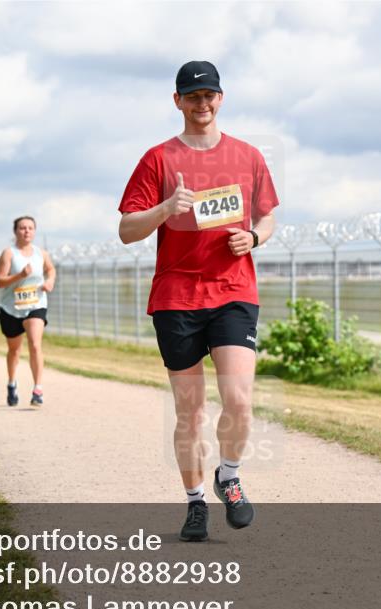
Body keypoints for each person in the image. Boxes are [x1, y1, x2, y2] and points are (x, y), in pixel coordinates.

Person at [118, 61, 279, 542]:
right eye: (192, 96)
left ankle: (228, 476)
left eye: (209, 95)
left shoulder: (248, 155)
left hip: (233, 291)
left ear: (221, 98)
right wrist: (166, 208)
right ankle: (194, 504)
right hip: (177, 296)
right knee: (190, 412)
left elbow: (268, 216)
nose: (201, 103)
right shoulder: (158, 159)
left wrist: (254, 237)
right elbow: (127, 230)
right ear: (178, 102)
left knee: (240, 399)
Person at [0, 216, 56, 407]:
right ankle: (12, 383)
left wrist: (49, 281)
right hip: (11, 307)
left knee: (35, 345)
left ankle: (38, 389)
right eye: (22, 228)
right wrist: (20, 275)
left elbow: (51, 269)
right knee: (14, 350)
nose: (27, 231)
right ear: (15, 231)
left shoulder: (41, 253)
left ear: (34, 231)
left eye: (30, 228)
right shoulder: (9, 254)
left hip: (36, 304)